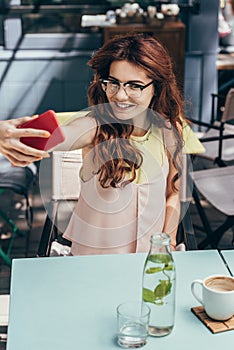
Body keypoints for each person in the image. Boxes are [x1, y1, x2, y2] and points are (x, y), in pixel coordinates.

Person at [0, 33, 202, 254]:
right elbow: (59, 137)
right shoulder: (94, 126)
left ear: (157, 87)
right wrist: (5, 135)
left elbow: (172, 193)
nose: (121, 96)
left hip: (147, 262)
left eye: (134, 86)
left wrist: (168, 242)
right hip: (93, 264)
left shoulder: (170, 128)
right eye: (113, 83)